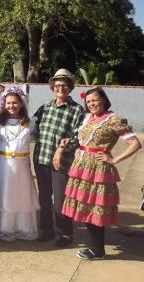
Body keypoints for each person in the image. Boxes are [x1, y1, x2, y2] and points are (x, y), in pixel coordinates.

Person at [61, 88, 141, 259]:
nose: (92, 104)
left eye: (95, 100)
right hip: (81, 166)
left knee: (95, 209)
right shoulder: (88, 118)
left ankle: (97, 250)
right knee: (85, 208)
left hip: (98, 169)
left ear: (103, 100)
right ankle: (95, 248)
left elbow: (135, 143)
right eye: (88, 102)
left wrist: (114, 159)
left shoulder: (114, 120)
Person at [0, 86, 39, 241]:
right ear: (4, 104)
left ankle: (20, 228)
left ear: (21, 103)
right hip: (0, 163)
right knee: (0, 195)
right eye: (8, 103)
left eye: (15, 103)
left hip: (21, 165)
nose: (11, 106)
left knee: (19, 197)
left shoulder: (31, 122)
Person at [33, 69, 85, 247]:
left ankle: (65, 234)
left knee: (61, 200)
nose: (60, 87)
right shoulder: (45, 107)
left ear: (70, 87)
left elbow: (80, 136)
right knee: (44, 198)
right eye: (57, 84)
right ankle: (46, 230)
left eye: (64, 84)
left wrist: (63, 148)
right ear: (52, 87)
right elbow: (30, 127)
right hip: (41, 159)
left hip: (61, 162)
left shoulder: (77, 110)